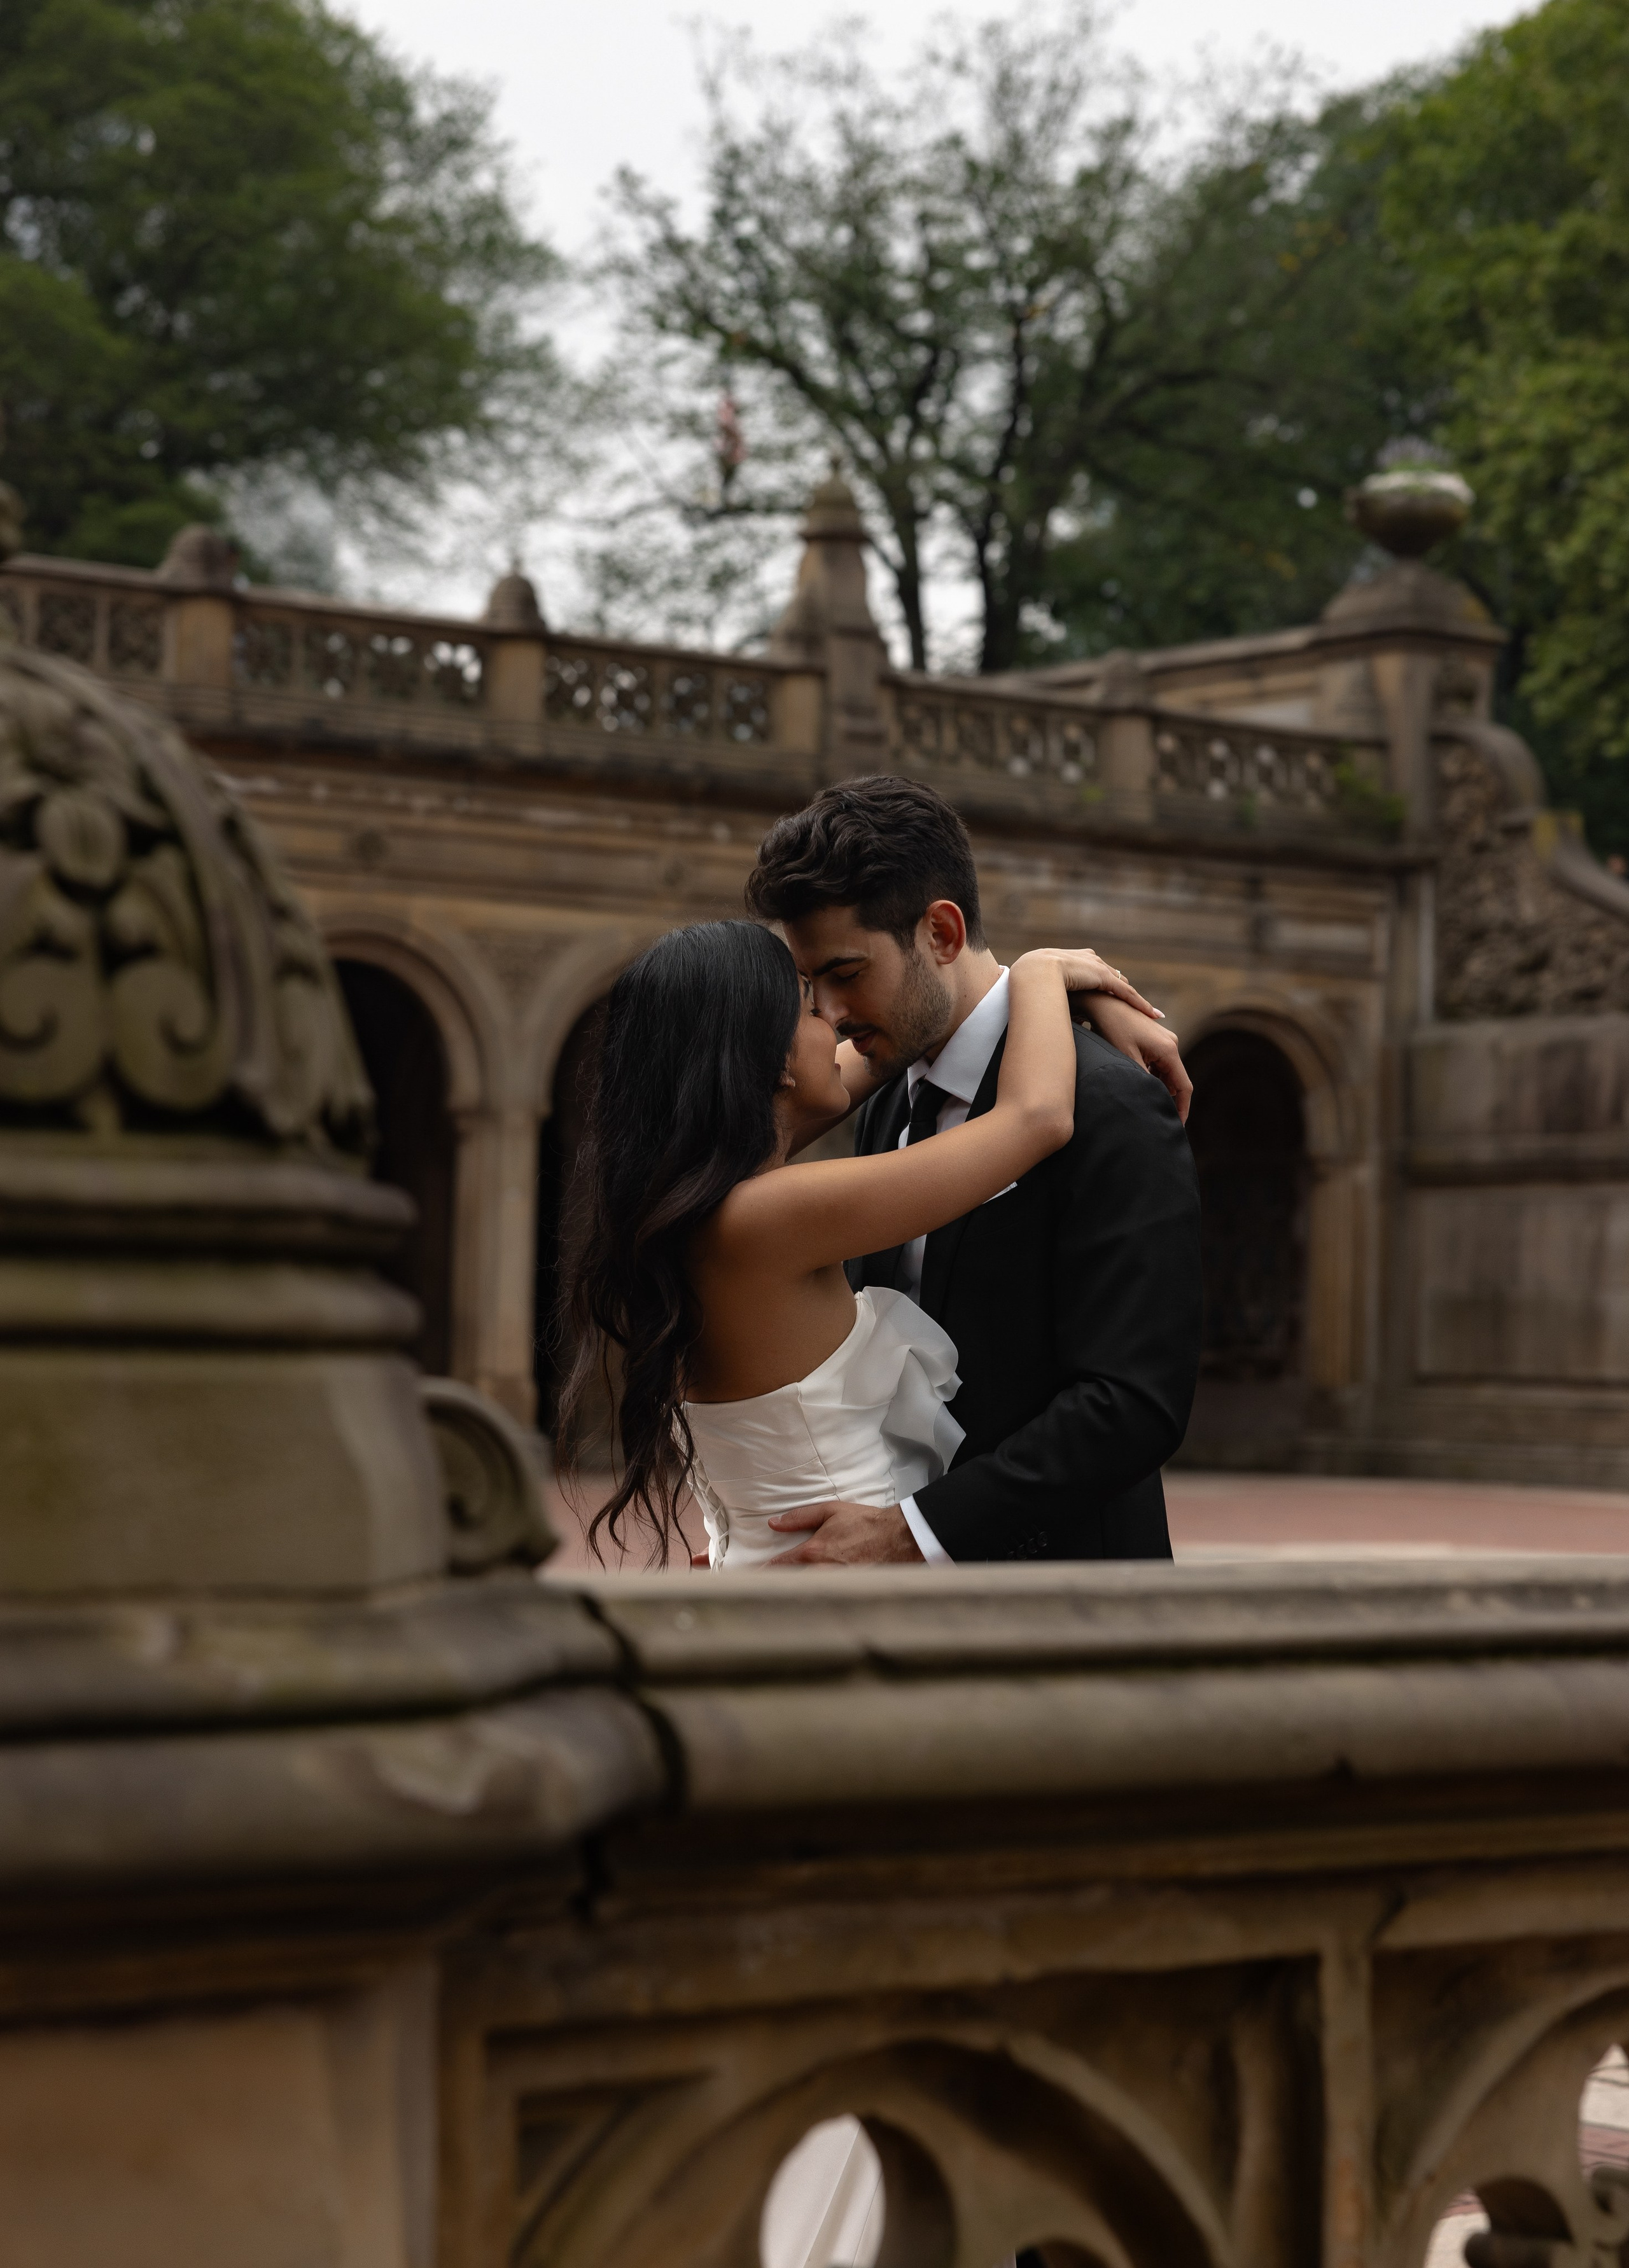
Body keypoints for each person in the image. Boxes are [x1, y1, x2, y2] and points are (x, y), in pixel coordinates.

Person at [555, 912, 1171, 1568]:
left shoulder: (697, 1208)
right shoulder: (771, 1216)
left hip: (779, 1566)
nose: (836, 1022)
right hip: (840, 1584)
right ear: (772, 1061)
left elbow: (883, 1050)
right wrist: (1040, 971)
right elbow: (1036, 1117)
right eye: (809, 1008)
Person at [743, 774, 1202, 1567]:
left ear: (941, 933)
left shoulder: (1109, 1101)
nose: (830, 1014)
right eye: (812, 985)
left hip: (1065, 1599)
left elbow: (1132, 1403)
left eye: (847, 973)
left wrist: (915, 1532)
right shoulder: (887, 1096)